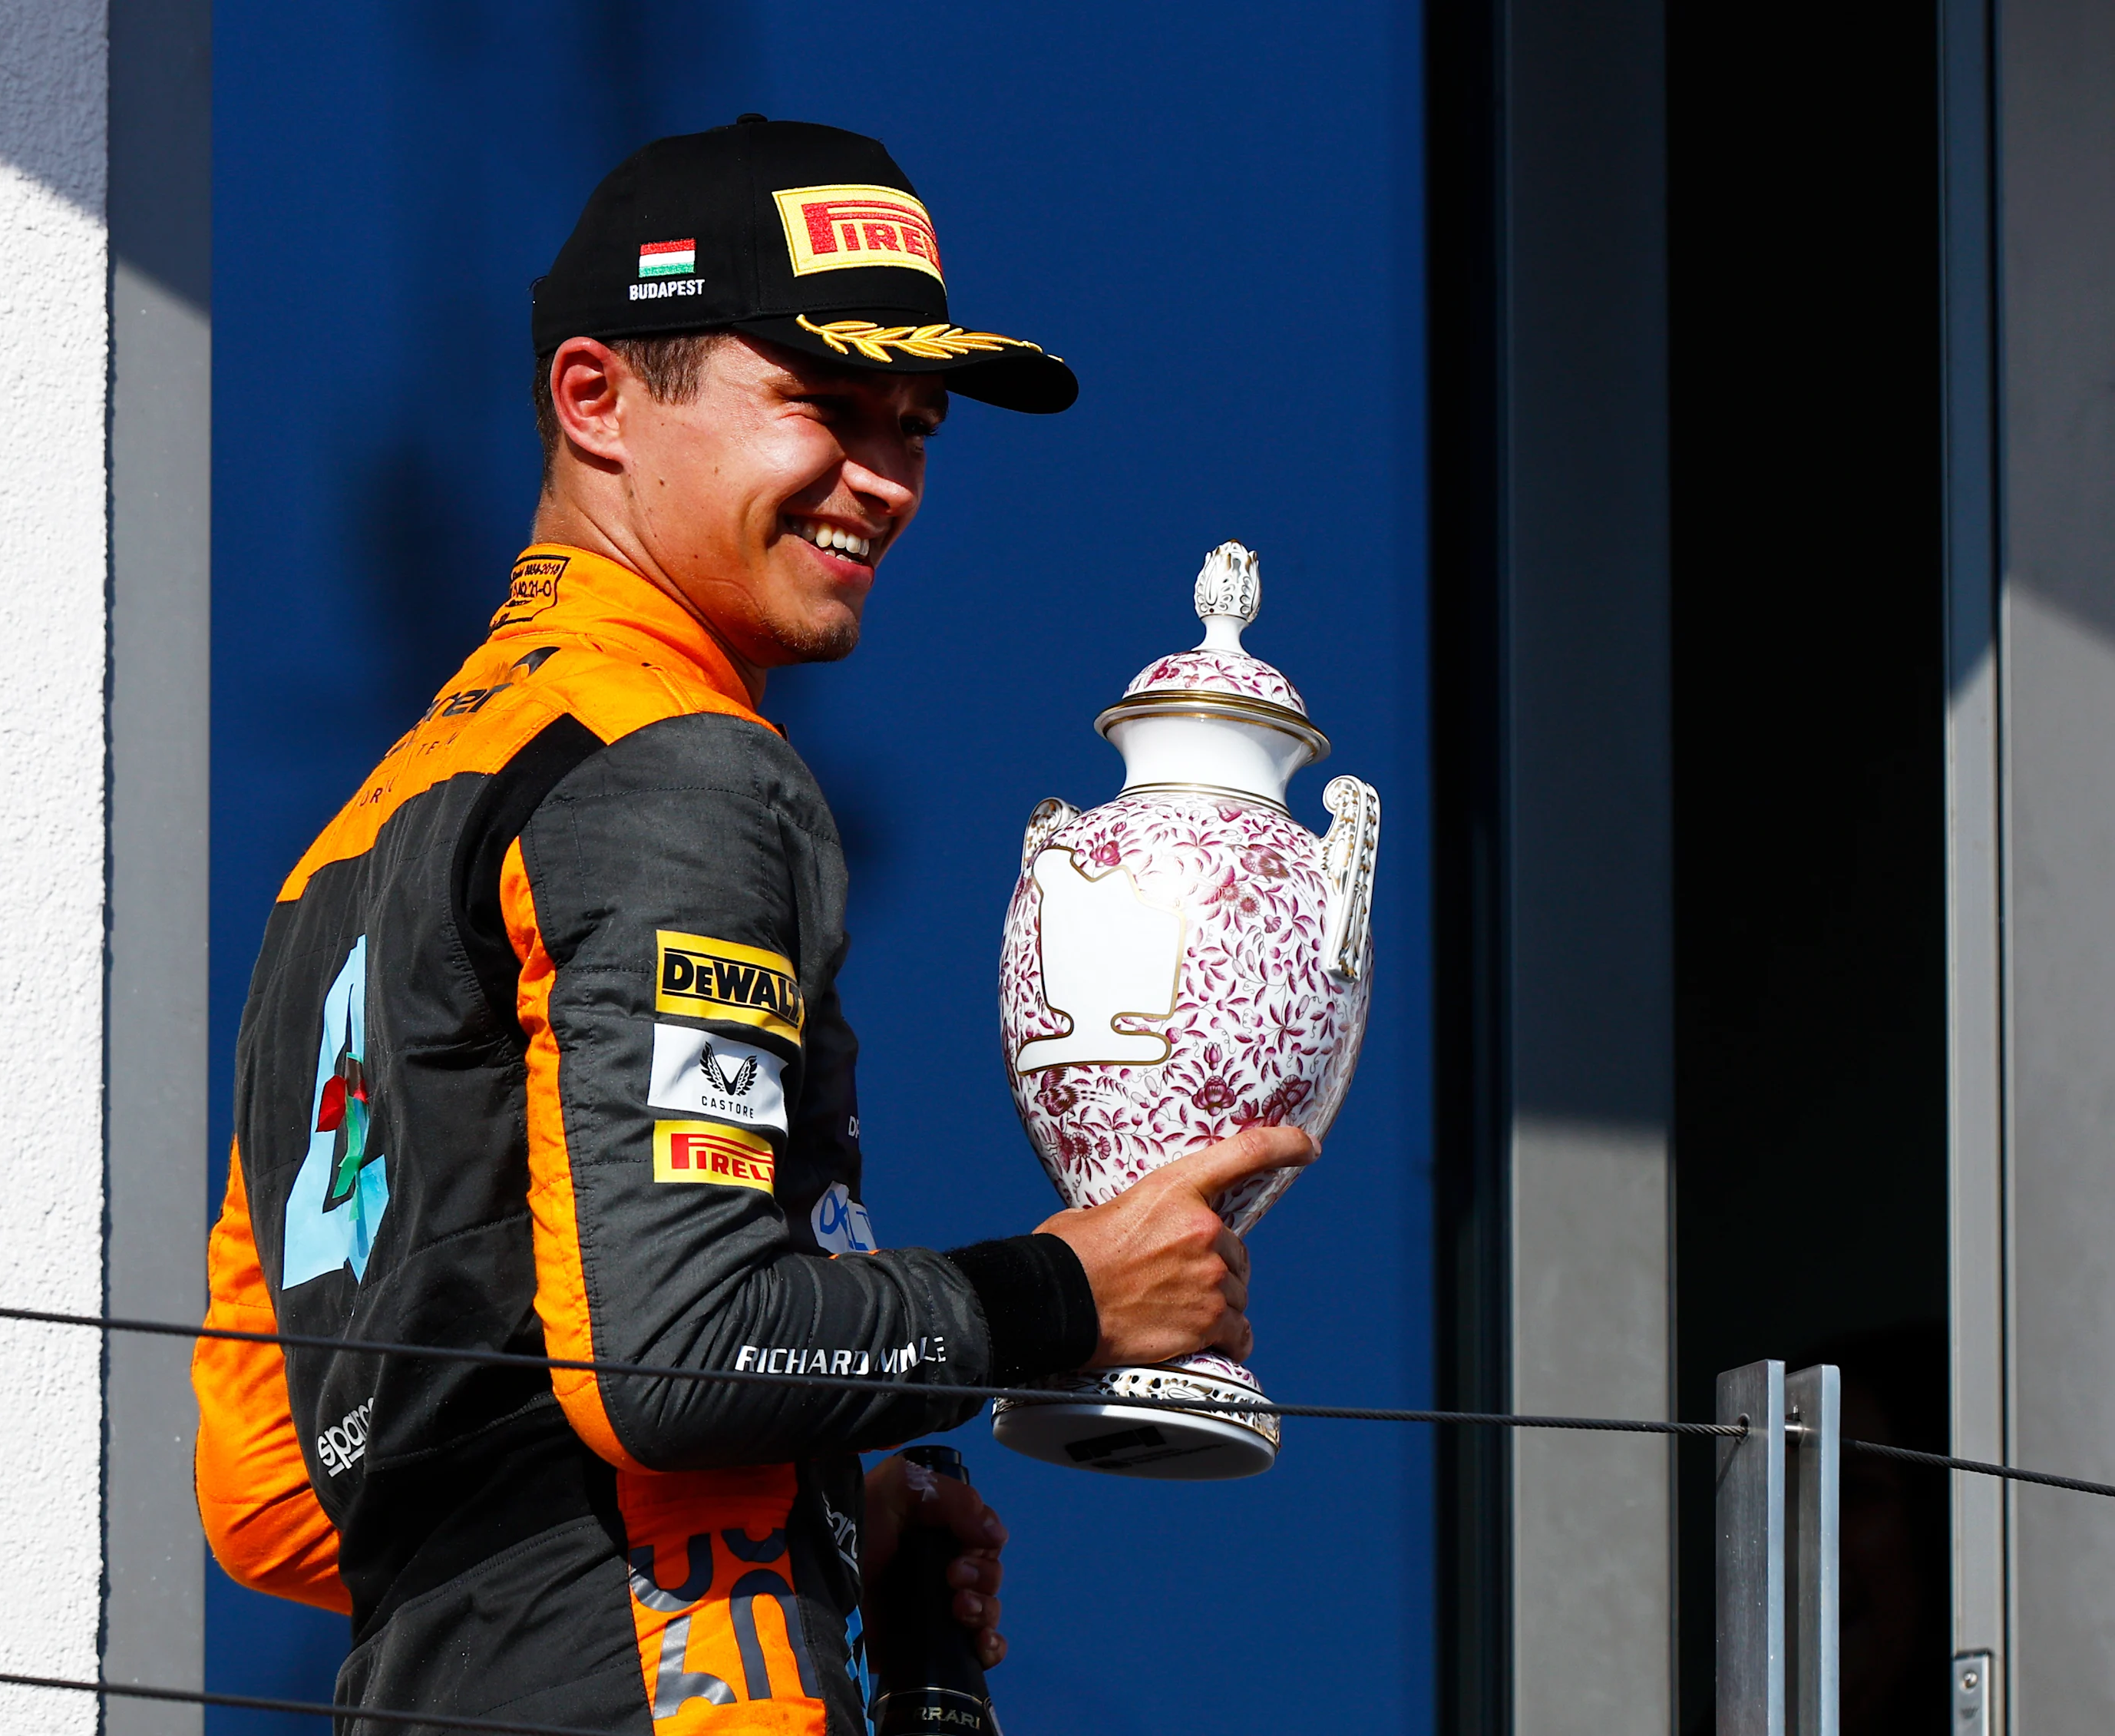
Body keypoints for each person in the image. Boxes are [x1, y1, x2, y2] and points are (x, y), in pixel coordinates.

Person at [190, 116, 1316, 1734]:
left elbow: (272, 1491)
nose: (882, 477)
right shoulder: (680, 767)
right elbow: (678, 1355)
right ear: (596, 401)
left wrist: (821, 1500)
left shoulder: (356, 848)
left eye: (915, 426)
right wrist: (1064, 1292)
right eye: (820, 405)